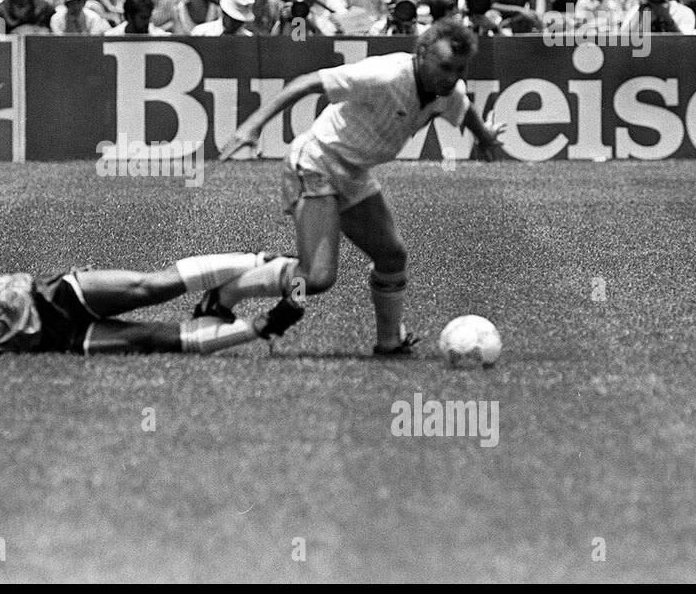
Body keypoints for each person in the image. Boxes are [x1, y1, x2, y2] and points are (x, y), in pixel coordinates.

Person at [215, 21, 506, 354]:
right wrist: (250, 128)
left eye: (459, 69)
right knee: (316, 277)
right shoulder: (385, 75)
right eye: (444, 67)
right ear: (422, 53)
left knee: (391, 257)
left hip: (352, 173)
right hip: (316, 163)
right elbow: (306, 82)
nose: (451, 76)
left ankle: (390, 344)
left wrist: (484, 136)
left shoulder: (446, 91)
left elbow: (464, 110)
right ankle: (227, 292)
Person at [0, 214, 286, 356]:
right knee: (151, 340)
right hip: (58, 339)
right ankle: (260, 328)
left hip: (51, 295)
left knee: (149, 287)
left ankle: (264, 263)